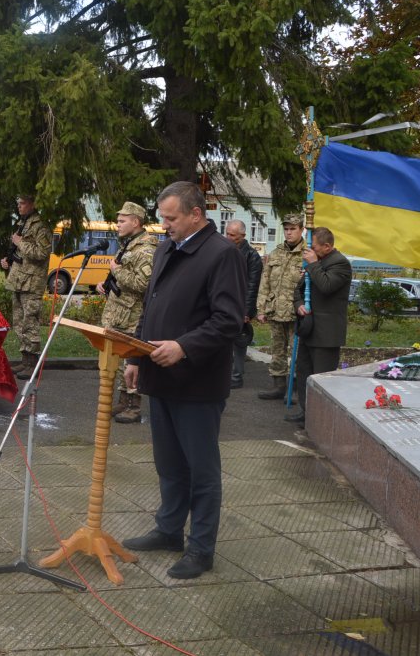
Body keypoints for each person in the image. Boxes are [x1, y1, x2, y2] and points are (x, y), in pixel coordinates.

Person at [121, 180, 245, 580]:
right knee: (169, 464)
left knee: (201, 471)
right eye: (162, 217)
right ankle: (169, 530)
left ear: (196, 214)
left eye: (171, 218)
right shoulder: (165, 249)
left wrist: (184, 346)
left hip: (197, 383)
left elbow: (229, 320)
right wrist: (135, 356)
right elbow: (149, 307)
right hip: (160, 376)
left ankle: (201, 549)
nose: (165, 225)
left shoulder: (222, 254)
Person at [99, 201, 158, 424]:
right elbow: (124, 279)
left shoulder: (146, 250)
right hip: (120, 313)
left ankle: (134, 406)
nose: (118, 224)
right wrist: (106, 284)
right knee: (121, 360)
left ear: (135, 222)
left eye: (122, 221)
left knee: (132, 361)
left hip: (133, 316)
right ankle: (124, 401)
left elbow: (143, 284)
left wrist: (117, 271)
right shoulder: (129, 245)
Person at [288, 227, 352, 425]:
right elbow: (298, 290)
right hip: (309, 328)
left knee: (321, 378)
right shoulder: (316, 262)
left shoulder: (340, 263)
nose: (310, 250)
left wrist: (313, 264)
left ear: (327, 246)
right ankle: (306, 411)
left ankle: (319, 419)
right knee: (304, 373)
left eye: (313, 247)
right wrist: (299, 305)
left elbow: (326, 286)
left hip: (326, 333)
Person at [0, 194, 50, 380]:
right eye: (18, 203)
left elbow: (42, 253)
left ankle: (33, 364)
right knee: (19, 323)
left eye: (23, 203)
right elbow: (20, 254)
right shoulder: (23, 223)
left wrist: (20, 243)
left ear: (32, 204)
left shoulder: (40, 226)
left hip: (32, 283)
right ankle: (25, 360)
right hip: (19, 281)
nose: (19, 206)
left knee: (30, 323)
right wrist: (8, 261)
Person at [256, 215, 306, 400]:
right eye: (286, 229)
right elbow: (265, 282)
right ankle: (278, 386)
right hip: (275, 310)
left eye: (293, 229)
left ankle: (295, 389)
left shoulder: (307, 254)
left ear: (301, 229)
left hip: (296, 313)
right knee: (277, 350)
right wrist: (261, 309)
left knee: (297, 352)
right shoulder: (276, 253)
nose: (289, 232)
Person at [224, 220, 263, 390]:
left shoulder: (252, 256)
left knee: (239, 342)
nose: (228, 237)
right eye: (227, 233)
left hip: (240, 305)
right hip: (224, 302)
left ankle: (236, 376)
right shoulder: (224, 250)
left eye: (232, 235)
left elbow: (253, 285)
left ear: (242, 236)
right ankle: (224, 374)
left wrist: (247, 311)